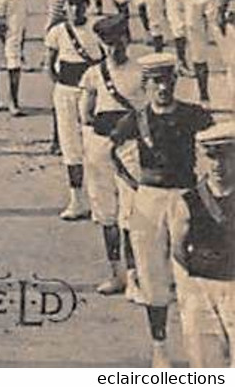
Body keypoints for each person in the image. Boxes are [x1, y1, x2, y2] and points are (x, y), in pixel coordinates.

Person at [110, 52, 215, 367]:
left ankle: (197, 349)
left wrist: (205, 189)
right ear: (147, 85)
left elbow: (216, 151)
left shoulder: (193, 115)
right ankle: (160, 349)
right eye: (156, 82)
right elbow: (114, 153)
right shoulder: (136, 120)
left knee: (192, 275)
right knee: (152, 275)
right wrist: (134, 182)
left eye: (167, 80)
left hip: (185, 196)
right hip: (150, 200)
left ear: (175, 81)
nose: (163, 88)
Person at [77, 11, 144, 295]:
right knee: (106, 213)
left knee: (131, 213)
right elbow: (85, 114)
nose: (113, 48)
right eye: (107, 44)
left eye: (118, 42)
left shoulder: (140, 71)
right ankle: (116, 273)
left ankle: (135, 277)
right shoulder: (93, 74)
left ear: (127, 40)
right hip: (100, 145)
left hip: (130, 147)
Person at [168, 122, 234, 369]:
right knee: (205, 363)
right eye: (212, 157)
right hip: (202, 289)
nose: (218, 166)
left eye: (227, 157)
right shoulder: (188, 201)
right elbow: (178, 248)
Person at [45, 0, 104, 221]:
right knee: (71, 147)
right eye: (70, 5)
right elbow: (49, 65)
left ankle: (99, 200)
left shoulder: (97, 29)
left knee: (95, 146)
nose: (75, 9)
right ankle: (77, 200)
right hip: (66, 91)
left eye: (79, 5)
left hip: (91, 93)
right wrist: (62, 87)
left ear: (87, 5)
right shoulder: (58, 32)